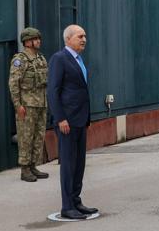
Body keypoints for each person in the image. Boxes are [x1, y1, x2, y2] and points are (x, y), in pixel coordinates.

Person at [47, 24, 98, 220]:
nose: (84, 39)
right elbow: (53, 91)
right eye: (79, 36)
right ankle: (67, 206)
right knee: (68, 164)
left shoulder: (79, 59)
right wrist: (60, 118)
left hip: (80, 120)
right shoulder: (59, 59)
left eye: (85, 36)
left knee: (79, 163)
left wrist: (86, 117)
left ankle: (76, 201)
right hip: (66, 121)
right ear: (68, 39)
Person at [8, 27, 50, 182]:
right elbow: (13, 84)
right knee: (26, 137)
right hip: (27, 105)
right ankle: (25, 169)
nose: (38, 41)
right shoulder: (20, 60)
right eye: (35, 39)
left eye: (38, 38)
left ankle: (33, 165)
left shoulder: (41, 58)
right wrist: (18, 106)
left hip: (41, 104)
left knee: (38, 136)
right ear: (27, 42)